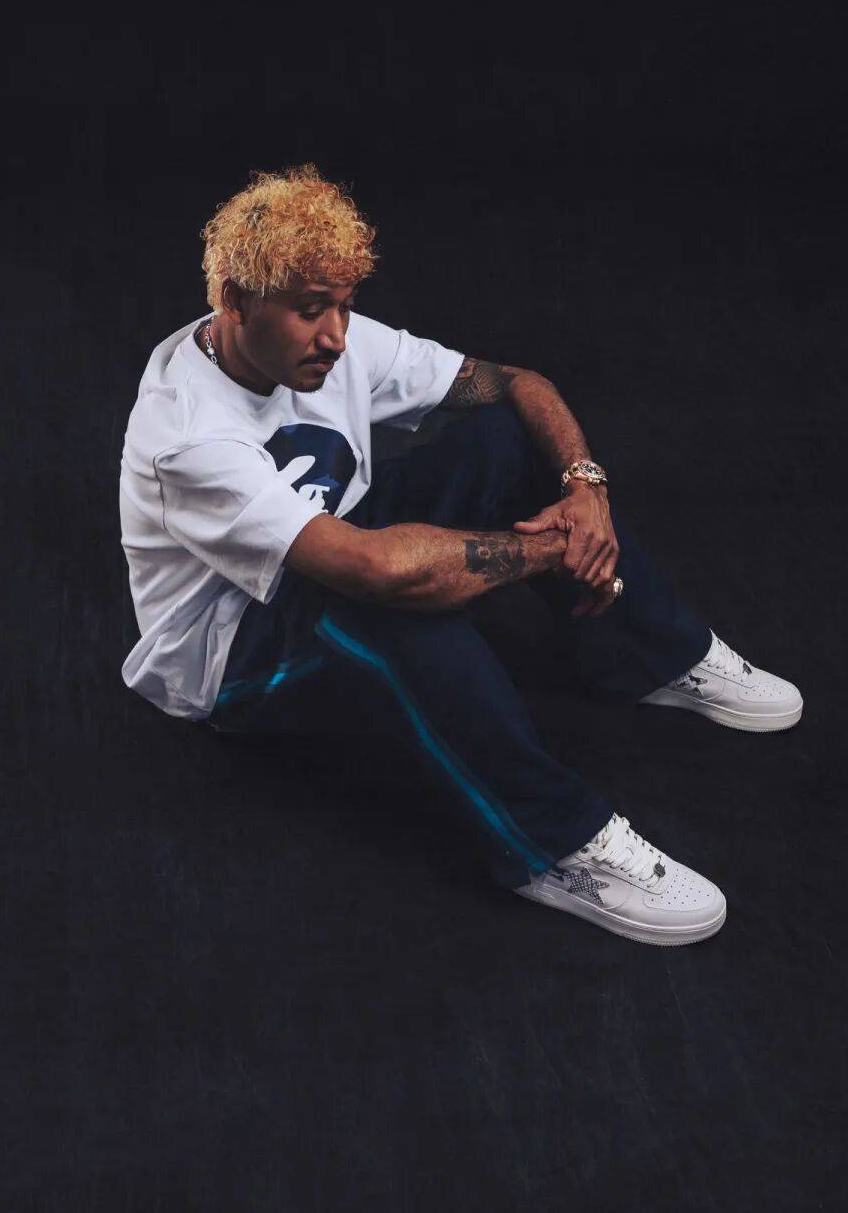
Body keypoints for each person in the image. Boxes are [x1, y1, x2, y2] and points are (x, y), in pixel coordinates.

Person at [118, 164, 802, 947]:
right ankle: (553, 845)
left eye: (344, 306)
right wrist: (552, 548)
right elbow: (372, 568)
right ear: (236, 302)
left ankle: (653, 656)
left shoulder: (329, 336)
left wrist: (585, 488)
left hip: (335, 538)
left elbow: (517, 384)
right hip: (232, 654)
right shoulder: (189, 434)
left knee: (503, 440)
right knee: (389, 603)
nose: (336, 336)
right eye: (312, 313)